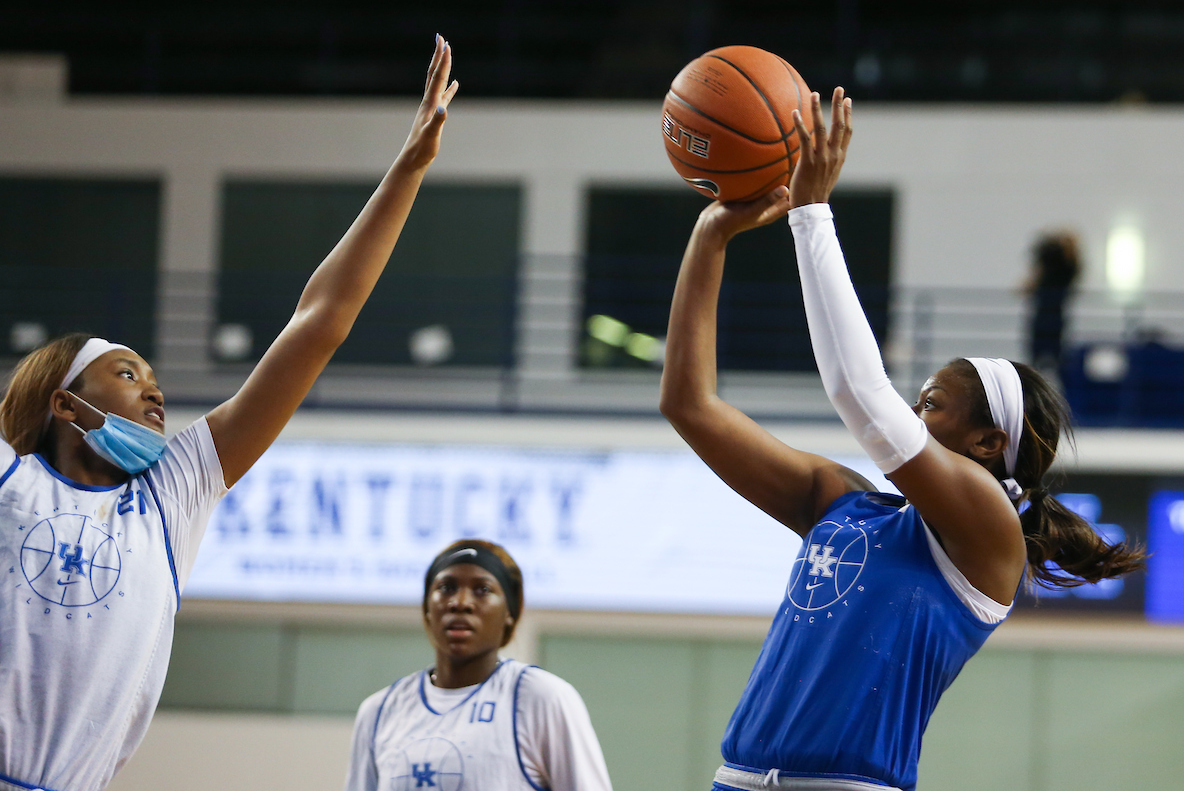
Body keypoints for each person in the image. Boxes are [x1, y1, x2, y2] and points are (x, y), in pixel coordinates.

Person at [0, 36, 460, 791]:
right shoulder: (2, 480)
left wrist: (409, 168)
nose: (155, 390)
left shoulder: (169, 496)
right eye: (128, 371)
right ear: (64, 403)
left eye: (154, 377)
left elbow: (320, 321)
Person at [659, 88, 1144, 791]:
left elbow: (861, 396)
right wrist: (711, 234)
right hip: (734, 779)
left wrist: (811, 216)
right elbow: (689, 404)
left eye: (930, 404)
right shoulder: (846, 506)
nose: (912, 416)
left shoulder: (988, 533)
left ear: (986, 443)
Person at [344, 539, 612, 791]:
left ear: (510, 612)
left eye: (482, 589)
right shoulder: (380, 712)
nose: (460, 603)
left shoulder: (542, 698)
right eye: (446, 587)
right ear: (427, 607)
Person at [1024, 229, 1082, 378]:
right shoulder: (1061, 263)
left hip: (1051, 312)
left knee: (1050, 355)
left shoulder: (1064, 264)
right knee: (1044, 355)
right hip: (1049, 312)